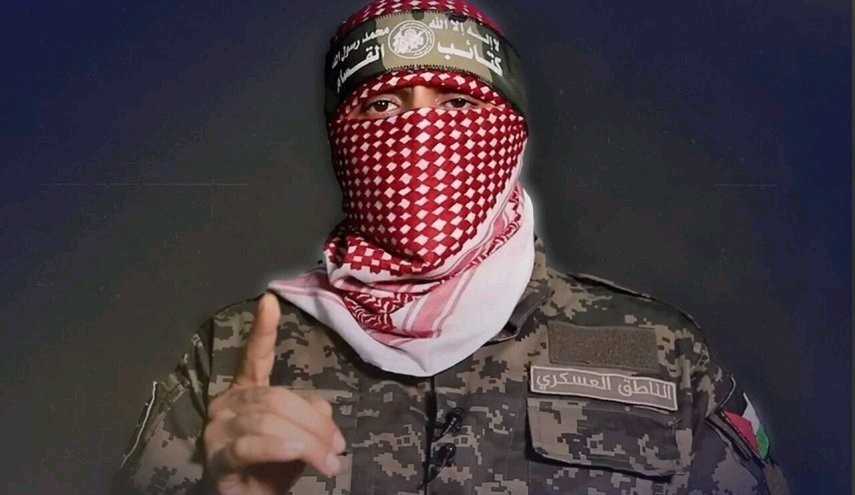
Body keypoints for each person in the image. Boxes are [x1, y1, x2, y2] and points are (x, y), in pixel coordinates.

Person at [112, 1, 790, 493]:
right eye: (382, 106)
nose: (420, 131)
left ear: (510, 132)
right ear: (340, 140)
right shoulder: (231, 356)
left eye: (458, 105)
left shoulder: (655, 350)